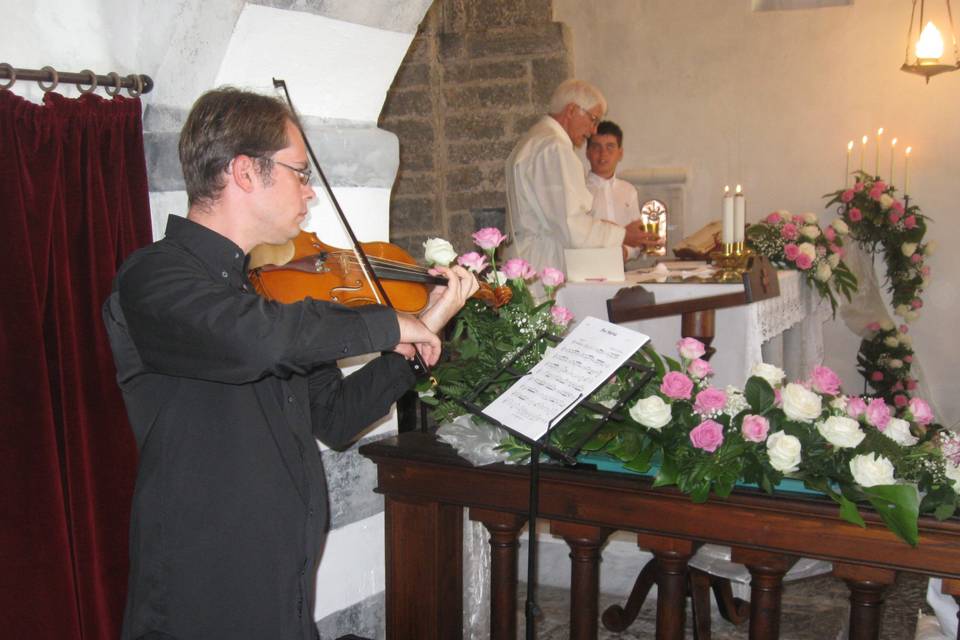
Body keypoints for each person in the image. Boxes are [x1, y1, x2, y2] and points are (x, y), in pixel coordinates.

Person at [102, 87, 477, 640]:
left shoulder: (265, 296)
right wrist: (387, 322)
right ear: (244, 173)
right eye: (300, 173)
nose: (310, 194)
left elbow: (335, 416)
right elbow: (255, 341)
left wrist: (423, 333)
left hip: (283, 581)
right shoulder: (154, 279)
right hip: (201, 588)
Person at [504, 79, 654, 273]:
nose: (593, 130)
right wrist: (622, 235)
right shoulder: (554, 148)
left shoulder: (534, 140)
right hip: (542, 265)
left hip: (526, 259)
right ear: (572, 110)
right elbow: (571, 226)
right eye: (593, 119)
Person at [586, 120, 655, 262]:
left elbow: (638, 237)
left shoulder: (628, 191)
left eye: (610, 147)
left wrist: (625, 252)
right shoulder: (578, 189)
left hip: (622, 270)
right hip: (588, 267)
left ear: (620, 153)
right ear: (587, 152)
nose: (603, 154)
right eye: (596, 147)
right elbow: (578, 234)